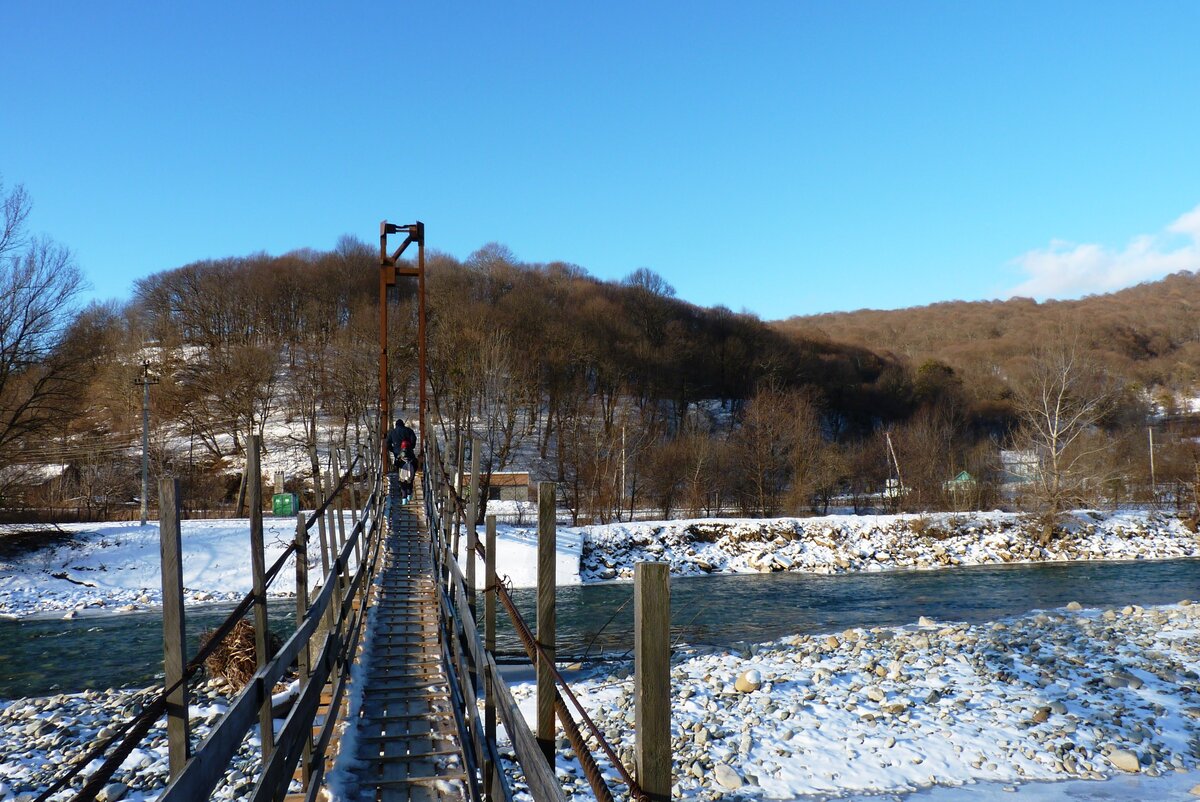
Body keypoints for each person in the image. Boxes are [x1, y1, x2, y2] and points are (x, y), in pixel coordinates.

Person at [387, 418, 417, 502]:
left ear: (396, 425)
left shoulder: (392, 432)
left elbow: (387, 443)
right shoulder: (408, 430)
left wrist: (393, 450)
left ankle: (403, 494)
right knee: (411, 473)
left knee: (401, 475)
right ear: (403, 424)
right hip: (409, 454)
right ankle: (409, 492)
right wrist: (410, 447)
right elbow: (414, 439)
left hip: (398, 455)